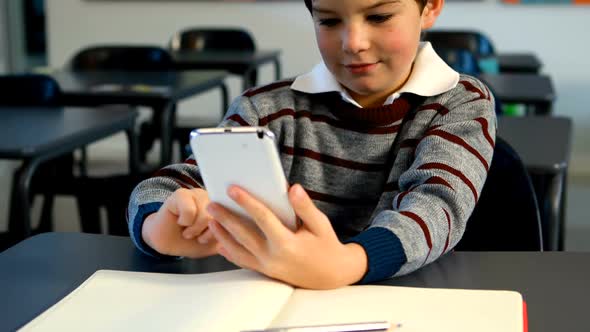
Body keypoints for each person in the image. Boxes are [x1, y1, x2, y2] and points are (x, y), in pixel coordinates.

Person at [127, 0, 496, 290]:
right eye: (330, 21)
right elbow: (167, 185)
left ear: (429, 6)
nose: (354, 43)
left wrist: (347, 262)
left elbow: (437, 205)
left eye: (380, 16)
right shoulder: (265, 109)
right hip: (275, 301)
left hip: (406, 299)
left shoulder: (461, 103)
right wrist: (161, 225)